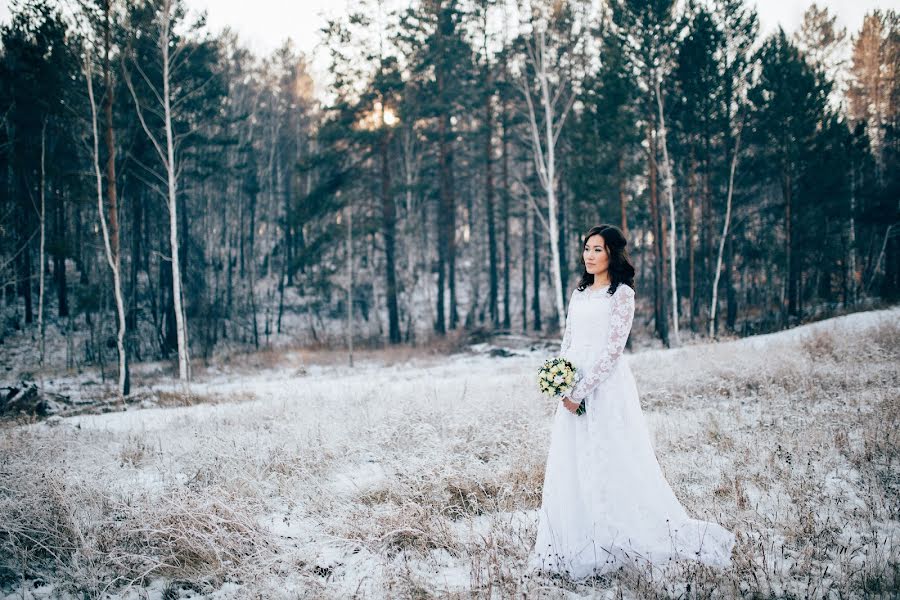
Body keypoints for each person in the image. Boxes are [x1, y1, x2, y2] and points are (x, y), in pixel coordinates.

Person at [530, 224, 736, 579]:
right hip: (572, 385)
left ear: (612, 253)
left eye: (597, 249)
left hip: (605, 387)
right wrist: (561, 379)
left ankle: (615, 535)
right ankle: (576, 537)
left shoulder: (622, 294)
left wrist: (583, 389)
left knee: (611, 457)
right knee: (574, 459)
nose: (589, 255)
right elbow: (568, 340)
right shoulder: (579, 293)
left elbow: (613, 350)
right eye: (586, 248)